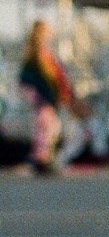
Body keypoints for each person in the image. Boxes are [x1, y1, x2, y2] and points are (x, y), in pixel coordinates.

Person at [18, 19, 72, 175]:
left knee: (49, 127)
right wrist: (36, 95)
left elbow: (56, 77)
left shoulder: (45, 52)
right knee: (46, 128)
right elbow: (29, 77)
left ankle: (43, 158)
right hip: (41, 98)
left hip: (47, 98)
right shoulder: (36, 53)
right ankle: (41, 159)